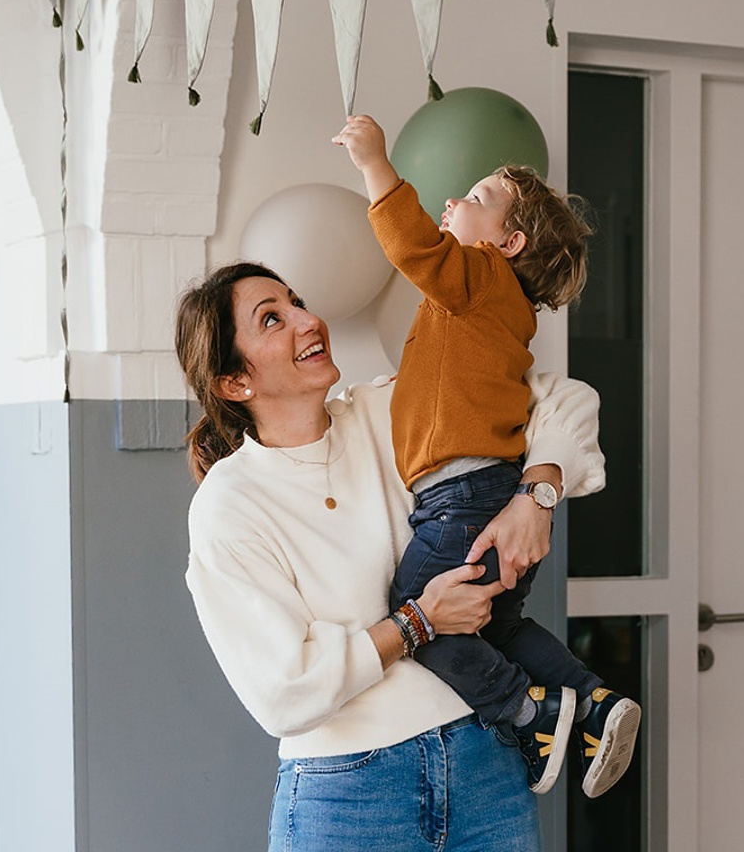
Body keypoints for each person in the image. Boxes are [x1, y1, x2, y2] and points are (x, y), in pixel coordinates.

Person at [176, 260, 605, 852]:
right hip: (349, 792)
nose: (308, 320)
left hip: (486, 763)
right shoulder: (229, 504)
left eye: (298, 301)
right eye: (273, 319)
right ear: (234, 382)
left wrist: (538, 494)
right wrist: (418, 622)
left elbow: (564, 399)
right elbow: (283, 692)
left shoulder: (394, 410)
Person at [333, 114, 641, 800]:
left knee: (418, 613)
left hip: (461, 499)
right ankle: (591, 702)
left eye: (471, 198)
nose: (451, 203)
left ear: (507, 243)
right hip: (481, 491)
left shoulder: (476, 281)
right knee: (499, 624)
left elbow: (413, 246)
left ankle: (531, 712)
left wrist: (375, 166)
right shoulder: (496, 310)